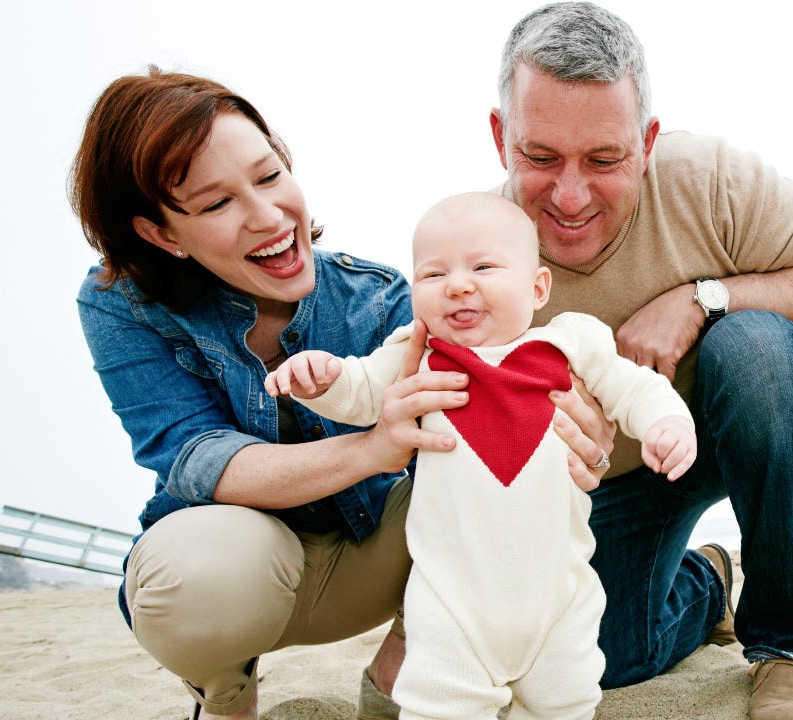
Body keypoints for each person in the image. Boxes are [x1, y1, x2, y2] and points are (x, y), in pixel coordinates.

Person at [71, 69, 614, 720]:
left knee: (494, 492)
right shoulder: (124, 306)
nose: (268, 216)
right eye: (217, 204)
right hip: (245, 574)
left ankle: (401, 666)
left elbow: (500, 388)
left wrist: (578, 418)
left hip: (373, 554)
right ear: (162, 233)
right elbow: (194, 454)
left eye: (270, 176)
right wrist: (373, 448)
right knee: (191, 577)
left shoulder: (384, 299)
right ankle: (227, 693)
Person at [488, 3, 793, 718]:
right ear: (500, 138)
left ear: (646, 141)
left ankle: (786, 651)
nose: (570, 196)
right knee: (610, 658)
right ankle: (708, 580)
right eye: (540, 157)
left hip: (733, 415)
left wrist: (703, 297)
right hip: (617, 476)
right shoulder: (478, 248)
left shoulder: (711, 179)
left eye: (605, 160)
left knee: (756, 340)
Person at [265, 191, 696, 719]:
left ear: (538, 288)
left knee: (567, 702)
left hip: (558, 596)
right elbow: (359, 390)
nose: (459, 284)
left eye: (484, 266)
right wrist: (321, 376)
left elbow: (633, 388)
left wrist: (667, 422)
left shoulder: (568, 346)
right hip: (452, 604)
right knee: (441, 704)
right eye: (432, 274)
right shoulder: (418, 354)